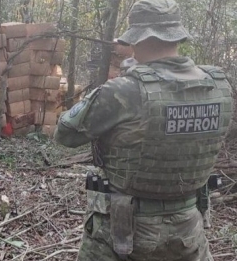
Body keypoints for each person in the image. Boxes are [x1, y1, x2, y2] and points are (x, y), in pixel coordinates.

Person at [53, 0, 234, 260]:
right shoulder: (217, 84)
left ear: (137, 40)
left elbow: (65, 133)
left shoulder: (124, 90)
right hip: (189, 226)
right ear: (176, 36)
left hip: (123, 228)